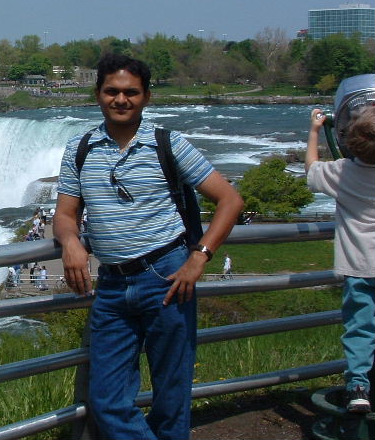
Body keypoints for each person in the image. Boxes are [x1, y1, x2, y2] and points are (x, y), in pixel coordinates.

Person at [53, 53, 243, 440]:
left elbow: (230, 200)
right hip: (111, 285)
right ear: (98, 94)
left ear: (146, 97)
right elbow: (65, 213)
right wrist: (70, 241)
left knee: (171, 396)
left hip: (167, 278)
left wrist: (200, 257)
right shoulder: (80, 148)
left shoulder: (167, 144)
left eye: (131, 92)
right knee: (106, 399)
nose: (121, 99)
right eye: (112, 91)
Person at [306, 105, 375, 413]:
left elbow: (311, 169)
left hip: (358, 267)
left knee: (360, 328)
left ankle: (358, 387)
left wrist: (315, 130)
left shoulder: (341, 172)